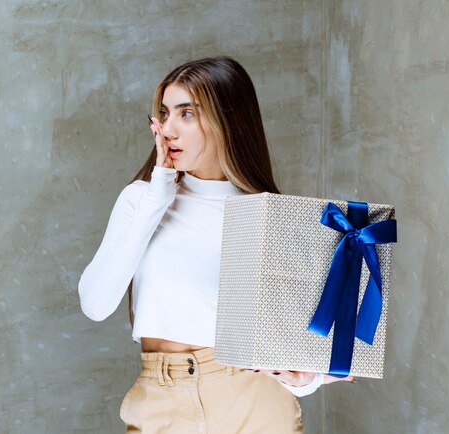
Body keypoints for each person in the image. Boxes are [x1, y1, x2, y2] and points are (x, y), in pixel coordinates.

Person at [78, 56, 352, 433]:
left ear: (227, 121)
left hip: (255, 401)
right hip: (163, 398)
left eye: (186, 114)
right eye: (164, 113)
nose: (168, 129)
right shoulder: (141, 199)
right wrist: (159, 192)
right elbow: (95, 303)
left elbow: (289, 353)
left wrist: (307, 379)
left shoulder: (265, 212)